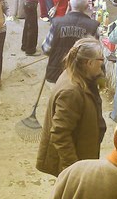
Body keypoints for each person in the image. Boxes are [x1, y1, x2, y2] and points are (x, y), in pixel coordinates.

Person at [36, 37, 106, 176]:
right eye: (101, 59)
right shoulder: (72, 92)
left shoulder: (78, 75)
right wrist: (73, 169)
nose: (103, 63)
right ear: (89, 63)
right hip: (75, 165)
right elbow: (60, 133)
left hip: (83, 155)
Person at [42, 0, 100, 83]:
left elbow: (46, 49)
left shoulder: (57, 23)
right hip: (81, 75)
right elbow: (95, 55)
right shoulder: (93, 26)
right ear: (86, 7)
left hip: (57, 73)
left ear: (69, 4)